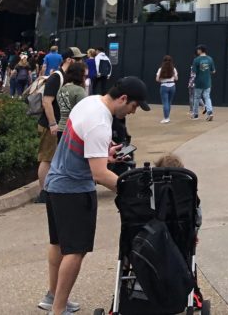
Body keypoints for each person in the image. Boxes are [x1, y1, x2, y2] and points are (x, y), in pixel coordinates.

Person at [39, 77, 149, 315]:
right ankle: (58, 310)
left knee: (58, 243)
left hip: (55, 185)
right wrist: (132, 190)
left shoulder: (89, 102)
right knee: (75, 251)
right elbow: (99, 175)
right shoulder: (101, 122)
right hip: (74, 190)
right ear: (123, 99)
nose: (133, 112)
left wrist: (103, 152)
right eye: (134, 106)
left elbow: (78, 141)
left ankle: (52, 296)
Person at [37, 50, 78, 198]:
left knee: (52, 157)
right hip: (49, 125)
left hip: (57, 124)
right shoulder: (56, 77)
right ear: (69, 60)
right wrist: (53, 123)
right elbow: (46, 102)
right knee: (46, 158)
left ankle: (48, 189)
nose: (79, 61)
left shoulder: (64, 77)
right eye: (77, 59)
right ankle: (43, 192)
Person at [189, 46, 215, 120]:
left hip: (199, 81)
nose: (197, 51)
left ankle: (195, 114)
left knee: (197, 98)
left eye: (198, 50)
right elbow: (213, 71)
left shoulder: (196, 60)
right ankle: (210, 112)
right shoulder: (210, 59)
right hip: (207, 81)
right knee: (207, 97)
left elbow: (194, 72)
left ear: (200, 50)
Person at [155, 55, 177, 124]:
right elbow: (176, 79)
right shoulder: (174, 69)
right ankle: (167, 117)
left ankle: (166, 118)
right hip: (172, 85)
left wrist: (163, 78)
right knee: (169, 102)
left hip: (164, 86)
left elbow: (157, 79)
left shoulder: (161, 69)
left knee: (165, 103)